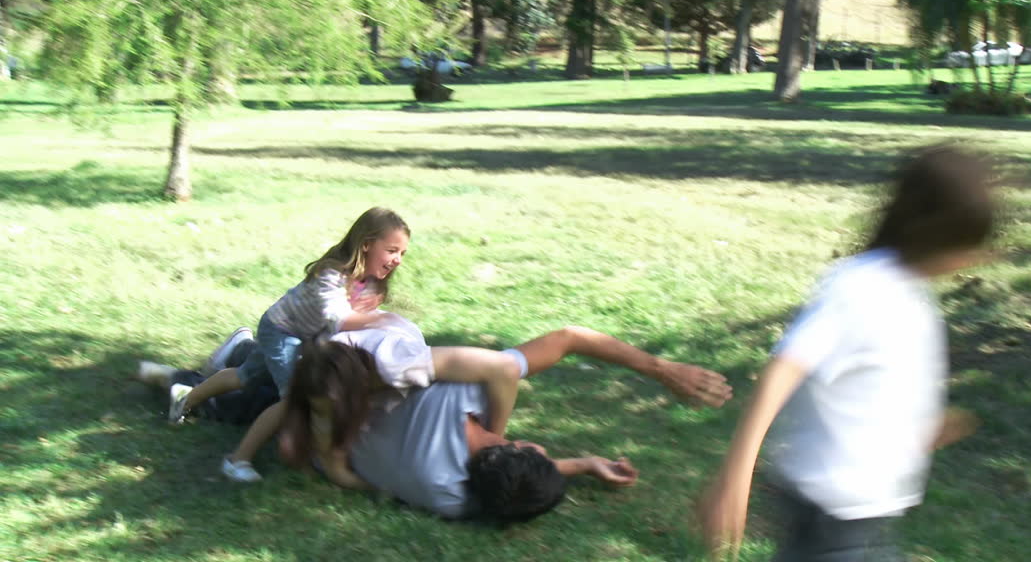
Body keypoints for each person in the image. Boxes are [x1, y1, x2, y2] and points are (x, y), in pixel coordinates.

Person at [697, 144, 996, 561]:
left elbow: (868, 384)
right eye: (967, 243)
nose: (974, 257)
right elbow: (782, 370)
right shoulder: (860, 288)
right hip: (831, 513)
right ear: (936, 233)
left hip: (865, 512)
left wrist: (916, 430)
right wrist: (735, 477)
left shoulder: (906, 289)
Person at [143, 318, 733, 520]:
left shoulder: (466, 391)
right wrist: (577, 467)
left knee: (260, 394)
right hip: (340, 381)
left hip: (323, 387)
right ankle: (213, 371)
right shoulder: (449, 498)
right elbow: (495, 490)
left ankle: (208, 374)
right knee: (268, 391)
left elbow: (569, 338)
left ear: (517, 446)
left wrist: (663, 370)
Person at [169, 207, 522, 483]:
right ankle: (237, 459)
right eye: (392, 250)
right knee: (292, 398)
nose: (397, 259)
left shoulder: (368, 281)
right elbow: (338, 319)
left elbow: (347, 323)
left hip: (302, 333)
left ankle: (186, 398)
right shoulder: (332, 274)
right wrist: (380, 320)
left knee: (244, 376)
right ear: (366, 244)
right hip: (281, 330)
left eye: (402, 253)